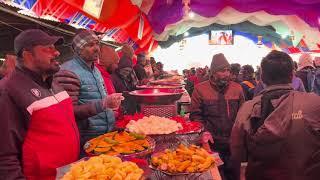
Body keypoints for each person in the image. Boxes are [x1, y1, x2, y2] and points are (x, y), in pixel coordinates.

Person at [0, 29, 80, 179]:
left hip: (70, 173)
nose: (56, 53)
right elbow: (5, 156)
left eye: (55, 48)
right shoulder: (9, 90)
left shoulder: (53, 82)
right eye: (48, 48)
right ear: (27, 55)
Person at [231, 50, 320, 180]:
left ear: (261, 78)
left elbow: (236, 151)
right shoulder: (313, 103)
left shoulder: (249, 109)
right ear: (292, 75)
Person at [54, 30, 123, 156]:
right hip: (87, 139)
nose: (97, 48)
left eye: (97, 44)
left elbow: (97, 99)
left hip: (105, 135)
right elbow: (68, 112)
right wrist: (103, 104)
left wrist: (111, 110)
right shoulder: (68, 72)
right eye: (90, 45)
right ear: (79, 50)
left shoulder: (95, 70)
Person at [190, 53, 244, 180]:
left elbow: (242, 115)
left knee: (233, 175)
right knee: (215, 176)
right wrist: (203, 132)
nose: (226, 74)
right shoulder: (200, 89)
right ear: (213, 73)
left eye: (228, 70)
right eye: (222, 70)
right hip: (211, 143)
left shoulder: (237, 88)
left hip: (233, 143)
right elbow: (195, 115)